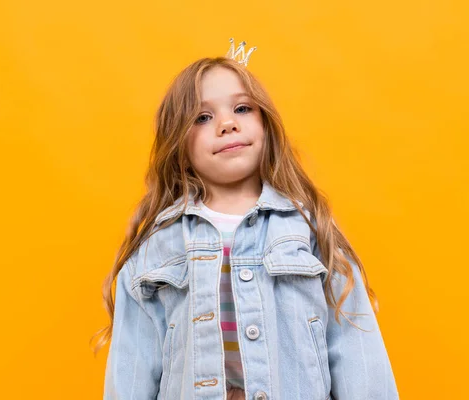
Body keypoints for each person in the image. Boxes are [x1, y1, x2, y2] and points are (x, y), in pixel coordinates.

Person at [92, 40, 399, 400]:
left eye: (242, 108)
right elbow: (133, 365)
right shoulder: (158, 246)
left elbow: (356, 351)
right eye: (202, 117)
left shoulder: (308, 229)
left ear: (266, 124)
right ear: (178, 143)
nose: (226, 124)